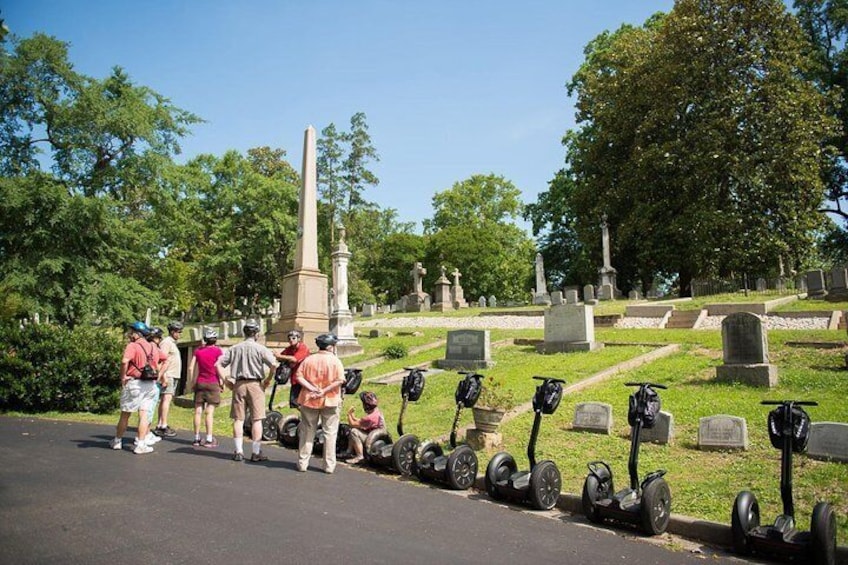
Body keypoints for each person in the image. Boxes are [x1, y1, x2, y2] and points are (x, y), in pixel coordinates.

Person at [215, 318, 277, 462]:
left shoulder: (235, 348)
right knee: (257, 419)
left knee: (238, 418)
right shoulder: (261, 348)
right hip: (255, 384)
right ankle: (255, 452)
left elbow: (217, 364)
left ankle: (238, 451)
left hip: (239, 384)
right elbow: (274, 365)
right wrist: (268, 379)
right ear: (256, 333)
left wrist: (225, 380)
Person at [110, 321, 168, 454]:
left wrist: (123, 376)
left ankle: (117, 441)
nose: (130, 334)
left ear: (137, 334)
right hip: (150, 385)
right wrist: (160, 373)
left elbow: (125, 361)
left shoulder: (133, 346)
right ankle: (141, 444)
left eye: (131, 332)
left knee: (125, 414)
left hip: (134, 383)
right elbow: (166, 359)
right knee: (144, 414)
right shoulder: (153, 347)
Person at [295, 333, 345, 473]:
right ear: (330, 347)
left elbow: (299, 376)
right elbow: (340, 380)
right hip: (330, 400)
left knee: (307, 431)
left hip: (309, 398)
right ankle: (329, 466)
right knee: (330, 433)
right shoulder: (336, 361)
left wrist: (311, 388)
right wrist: (324, 391)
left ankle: (302, 463)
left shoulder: (308, 360)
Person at [187, 327, 224, 447]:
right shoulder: (218, 351)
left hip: (200, 382)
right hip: (213, 382)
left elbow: (191, 367)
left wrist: (192, 382)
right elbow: (220, 367)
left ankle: (196, 438)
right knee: (209, 412)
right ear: (215, 340)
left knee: (198, 411)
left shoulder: (198, 351)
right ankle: (209, 438)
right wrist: (222, 383)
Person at [133, 327, 165, 450]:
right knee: (148, 410)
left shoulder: (144, 345)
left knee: (144, 410)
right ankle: (144, 435)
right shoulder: (153, 347)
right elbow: (163, 360)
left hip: (141, 379)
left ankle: (145, 434)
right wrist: (161, 374)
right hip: (151, 380)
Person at [153, 321, 183, 438]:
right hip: (168, 375)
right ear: (172, 332)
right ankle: (163, 425)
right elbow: (161, 360)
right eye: (178, 332)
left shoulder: (172, 343)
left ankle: (161, 424)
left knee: (166, 399)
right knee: (166, 399)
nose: (180, 334)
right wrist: (163, 376)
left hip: (173, 375)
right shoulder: (166, 342)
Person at [343, 391, 385, 465]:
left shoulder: (370, 418)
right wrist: (353, 416)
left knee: (354, 431)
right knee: (354, 430)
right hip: (377, 436)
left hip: (371, 440)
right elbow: (362, 421)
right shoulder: (377, 412)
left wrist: (349, 414)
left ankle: (360, 456)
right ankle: (348, 452)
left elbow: (352, 424)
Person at [275, 329, 310, 408]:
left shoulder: (303, 348)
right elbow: (280, 357)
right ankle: (303, 417)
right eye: (289, 338)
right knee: (294, 402)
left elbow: (294, 359)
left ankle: (307, 418)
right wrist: (279, 356)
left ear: (298, 339)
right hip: (295, 379)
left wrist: (281, 357)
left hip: (304, 379)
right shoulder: (289, 349)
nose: (291, 340)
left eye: (293, 338)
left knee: (304, 402)